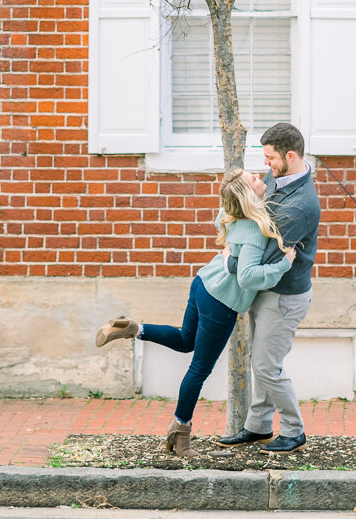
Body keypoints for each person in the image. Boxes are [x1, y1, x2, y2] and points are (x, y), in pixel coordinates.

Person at [94, 168, 295, 459]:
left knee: (185, 340)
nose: (258, 176)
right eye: (253, 178)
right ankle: (181, 432)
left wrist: (230, 255)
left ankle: (134, 329)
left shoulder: (231, 212)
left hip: (202, 283)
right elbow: (248, 278)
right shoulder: (253, 227)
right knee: (199, 369)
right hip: (221, 301)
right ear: (248, 196)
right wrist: (283, 264)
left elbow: (221, 219)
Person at [217, 121, 321, 455]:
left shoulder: (299, 206)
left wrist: (230, 260)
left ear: (290, 155)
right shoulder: (279, 177)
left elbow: (264, 260)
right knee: (260, 361)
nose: (266, 166)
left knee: (266, 366)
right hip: (267, 293)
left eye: (271, 158)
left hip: (284, 296)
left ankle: (294, 431)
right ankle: (258, 427)